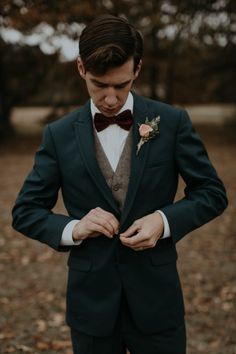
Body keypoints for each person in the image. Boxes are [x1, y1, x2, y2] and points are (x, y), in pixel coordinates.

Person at [12, 14, 228, 354]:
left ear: (137, 70)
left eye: (122, 85)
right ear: (81, 68)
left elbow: (212, 193)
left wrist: (164, 220)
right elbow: (25, 211)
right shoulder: (58, 135)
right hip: (91, 308)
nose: (111, 99)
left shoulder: (171, 122)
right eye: (99, 85)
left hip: (158, 304)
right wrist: (74, 228)